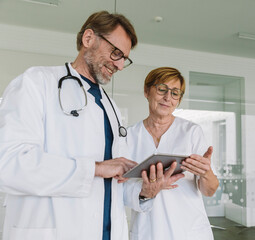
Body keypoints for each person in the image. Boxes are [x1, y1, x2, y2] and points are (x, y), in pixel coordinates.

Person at [0, 11, 181, 240]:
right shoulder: (36, 83)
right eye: (116, 53)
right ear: (88, 39)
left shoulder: (111, 107)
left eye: (124, 58)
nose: (119, 65)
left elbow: (114, 185)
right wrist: (95, 168)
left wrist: (146, 191)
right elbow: (8, 164)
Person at [124, 67, 220, 240]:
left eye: (175, 93)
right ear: (147, 91)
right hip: (148, 231)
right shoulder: (129, 136)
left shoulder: (191, 132)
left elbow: (209, 191)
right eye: (162, 89)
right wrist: (145, 190)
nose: (168, 97)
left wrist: (206, 173)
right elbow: (119, 187)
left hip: (188, 231)